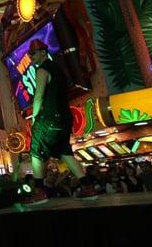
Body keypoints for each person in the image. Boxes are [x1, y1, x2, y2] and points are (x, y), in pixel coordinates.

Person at [24, 39, 96, 204]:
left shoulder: (42, 70)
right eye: (30, 54)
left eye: (33, 53)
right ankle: (88, 187)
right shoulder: (58, 69)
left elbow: (39, 96)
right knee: (65, 153)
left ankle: (39, 192)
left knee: (35, 152)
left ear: (43, 52)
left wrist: (35, 117)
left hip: (49, 119)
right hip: (65, 118)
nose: (31, 57)